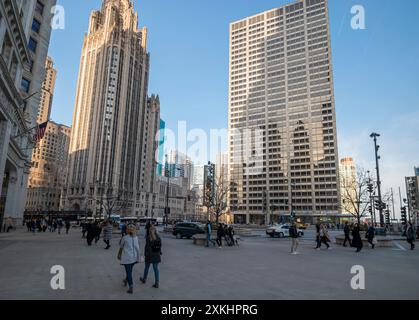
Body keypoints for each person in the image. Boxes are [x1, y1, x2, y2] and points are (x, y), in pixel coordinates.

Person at [119, 224, 140, 294]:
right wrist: (138, 258)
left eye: (127, 229)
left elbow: (121, 246)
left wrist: (119, 254)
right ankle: (125, 280)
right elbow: (138, 249)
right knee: (129, 271)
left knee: (129, 272)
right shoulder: (136, 237)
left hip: (127, 258)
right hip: (134, 258)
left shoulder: (125, 237)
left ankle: (131, 286)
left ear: (128, 230)